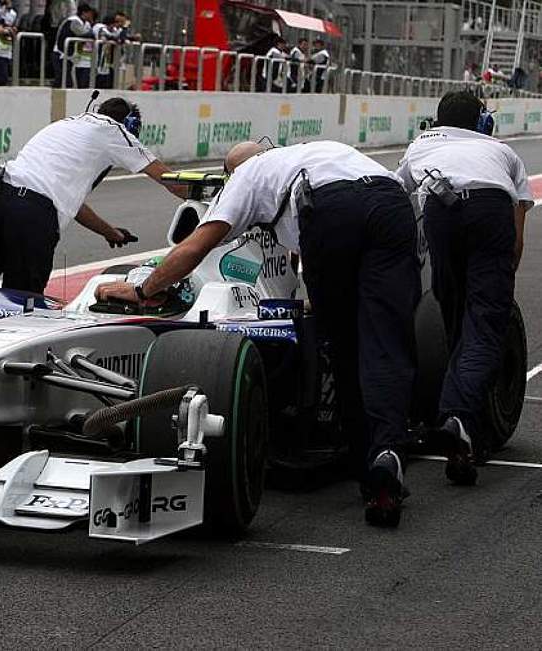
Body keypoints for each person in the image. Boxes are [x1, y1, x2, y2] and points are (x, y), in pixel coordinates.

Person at [96, 140, 421, 527]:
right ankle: (387, 452)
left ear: (232, 173)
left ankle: (367, 466)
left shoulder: (244, 179)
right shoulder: (310, 153)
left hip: (331, 211)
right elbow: (301, 244)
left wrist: (142, 289)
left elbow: (196, 246)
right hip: (391, 202)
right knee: (387, 340)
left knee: (345, 343)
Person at [396, 91, 534, 485]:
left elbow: (397, 192)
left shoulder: (420, 144)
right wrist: (502, 283)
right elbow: (517, 235)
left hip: (441, 208)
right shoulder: (502, 151)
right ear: (481, 122)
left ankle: (464, 426)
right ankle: (456, 414)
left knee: (452, 312)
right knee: (486, 325)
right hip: (491, 209)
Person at [0, 98, 186, 298]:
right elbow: (172, 181)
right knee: (20, 302)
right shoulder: (116, 131)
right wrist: (218, 199)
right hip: (30, 213)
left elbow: (65, 199)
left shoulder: (67, 123)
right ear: (131, 125)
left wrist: (109, 232)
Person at [53, 3, 97, 88]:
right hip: (60, 53)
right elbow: (84, 34)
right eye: (90, 13)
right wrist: (91, 33)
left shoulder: (85, 23)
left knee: (66, 80)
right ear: (84, 13)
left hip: (70, 55)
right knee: (63, 79)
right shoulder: (74, 21)